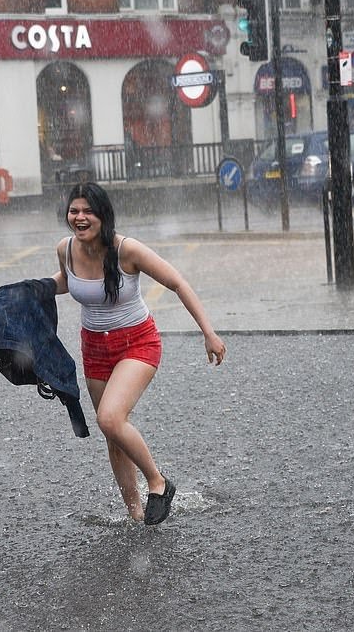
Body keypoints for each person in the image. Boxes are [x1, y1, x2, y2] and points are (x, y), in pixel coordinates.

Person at [52, 182, 226, 525]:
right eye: (75, 211)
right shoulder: (65, 249)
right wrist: (30, 291)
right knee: (113, 434)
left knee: (110, 418)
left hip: (137, 342)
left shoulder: (126, 250)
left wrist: (209, 332)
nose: (80, 217)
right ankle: (134, 513)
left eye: (88, 211)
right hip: (95, 347)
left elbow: (177, 282)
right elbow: (67, 281)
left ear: (104, 215)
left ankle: (158, 482)